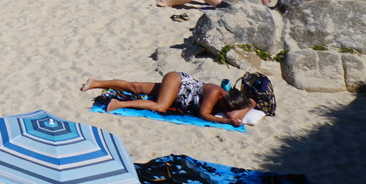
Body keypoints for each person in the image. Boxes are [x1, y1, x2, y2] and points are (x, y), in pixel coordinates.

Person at [80, 73, 257, 126]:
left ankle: (95, 82)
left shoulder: (230, 101)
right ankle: (118, 103)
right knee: (160, 107)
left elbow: (252, 103)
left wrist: (237, 115)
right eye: (226, 104)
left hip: (177, 94)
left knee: (134, 87)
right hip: (177, 82)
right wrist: (227, 121)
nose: (226, 108)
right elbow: (204, 114)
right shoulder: (215, 93)